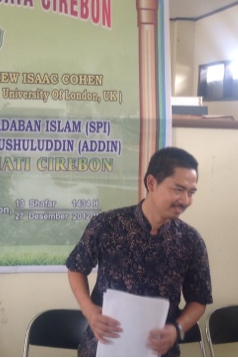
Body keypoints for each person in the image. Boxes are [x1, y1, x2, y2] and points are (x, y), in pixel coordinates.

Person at [66, 146, 212, 357]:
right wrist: (88, 310)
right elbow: (76, 267)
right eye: (178, 190)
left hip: (158, 350)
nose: (185, 200)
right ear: (151, 183)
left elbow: (199, 299)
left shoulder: (191, 240)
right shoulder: (107, 224)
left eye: (191, 193)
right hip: (102, 346)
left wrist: (176, 329)